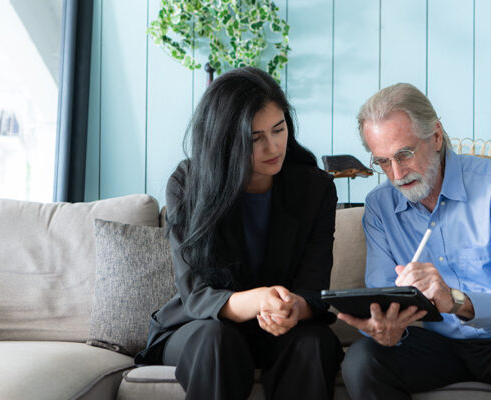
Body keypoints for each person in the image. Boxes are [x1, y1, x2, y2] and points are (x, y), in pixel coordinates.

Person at [338, 83, 491, 399]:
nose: (396, 174)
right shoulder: (381, 207)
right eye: (382, 161)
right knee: (361, 361)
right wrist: (386, 328)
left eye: (404, 154)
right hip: (444, 346)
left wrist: (455, 300)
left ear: (436, 136)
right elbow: (382, 299)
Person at [135, 67, 343, 400]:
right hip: (203, 327)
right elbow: (196, 293)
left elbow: (314, 289)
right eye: (254, 138)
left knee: (315, 343)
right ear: (224, 140)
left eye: (279, 129)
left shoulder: (315, 188)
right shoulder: (188, 184)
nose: (273, 146)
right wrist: (260, 299)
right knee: (216, 341)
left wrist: (294, 308)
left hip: (281, 330)